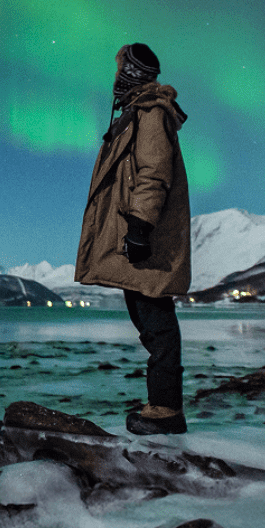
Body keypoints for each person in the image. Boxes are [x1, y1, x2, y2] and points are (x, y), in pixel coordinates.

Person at [75, 43, 191, 434]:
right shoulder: (134, 115)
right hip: (134, 235)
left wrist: (140, 228)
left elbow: (154, 172)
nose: (114, 76)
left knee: (157, 322)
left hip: (143, 238)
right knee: (148, 322)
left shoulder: (151, 114)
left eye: (120, 68)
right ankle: (161, 404)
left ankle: (166, 411)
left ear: (133, 73)